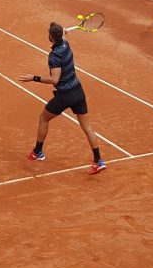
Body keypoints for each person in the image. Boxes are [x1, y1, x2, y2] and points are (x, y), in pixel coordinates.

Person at [18, 22, 105, 175]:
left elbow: (54, 80)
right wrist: (62, 33)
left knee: (43, 118)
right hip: (78, 91)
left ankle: (38, 152)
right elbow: (62, 36)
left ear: (50, 37)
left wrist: (34, 78)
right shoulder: (65, 44)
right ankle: (99, 161)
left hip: (65, 95)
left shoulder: (54, 56)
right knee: (87, 127)